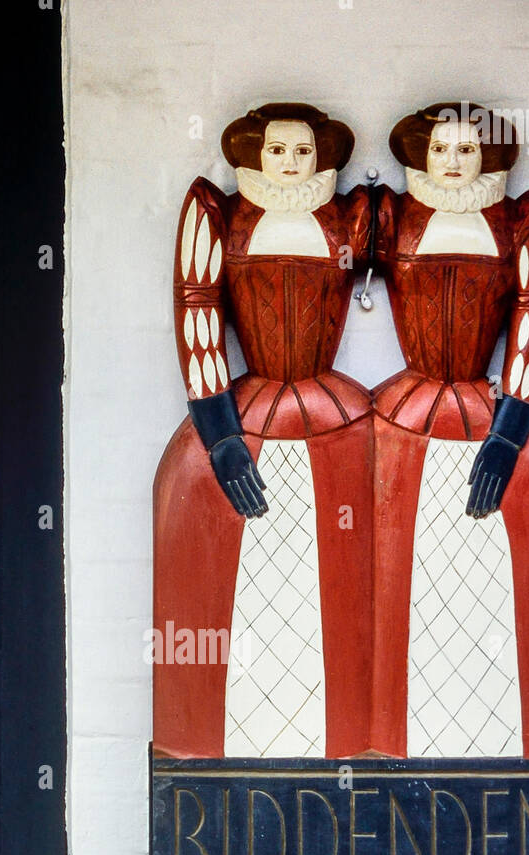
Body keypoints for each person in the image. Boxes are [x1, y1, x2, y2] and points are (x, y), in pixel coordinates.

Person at [153, 102, 373, 760]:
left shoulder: (350, 218)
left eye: (303, 152)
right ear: (255, 154)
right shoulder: (220, 217)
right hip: (246, 406)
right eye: (278, 150)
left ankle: (335, 733)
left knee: (333, 578)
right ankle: (229, 735)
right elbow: (196, 310)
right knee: (242, 571)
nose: (289, 163)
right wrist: (218, 429)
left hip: (326, 402)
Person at [370, 101, 529, 759]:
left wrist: (511, 428)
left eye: (464, 150)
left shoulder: (519, 221)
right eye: (438, 150)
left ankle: (485, 736)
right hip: (406, 408)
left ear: (486, 158)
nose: (450, 162)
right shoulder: (388, 219)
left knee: (480, 580)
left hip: (484, 414)